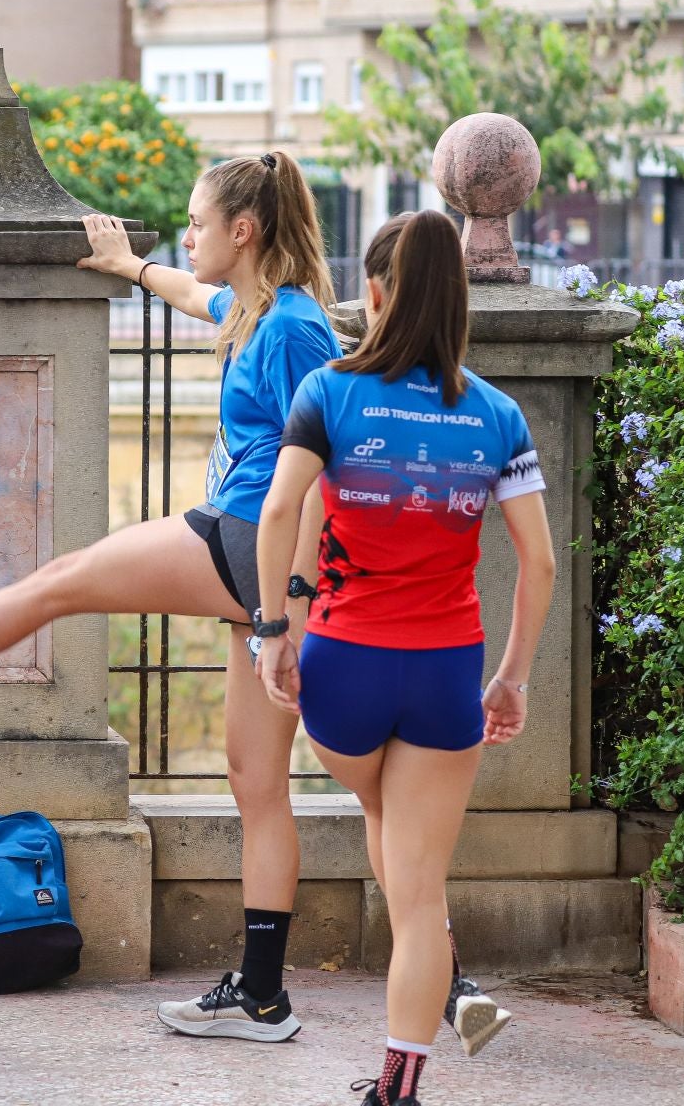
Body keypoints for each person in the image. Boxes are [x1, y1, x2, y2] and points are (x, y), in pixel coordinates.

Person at [0, 151, 340, 1041]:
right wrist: (130, 268)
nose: (189, 235)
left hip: (252, 546)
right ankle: (261, 994)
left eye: (198, 223)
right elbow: (194, 295)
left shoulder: (292, 330)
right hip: (258, 563)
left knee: (60, 583)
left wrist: (282, 606)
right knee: (257, 783)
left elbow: (321, 472)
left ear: (244, 232)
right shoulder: (257, 309)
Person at [252, 210, 557, 1105]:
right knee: (420, 891)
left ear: (376, 293)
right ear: (461, 298)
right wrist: (514, 677)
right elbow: (538, 561)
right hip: (445, 672)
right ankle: (400, 1084)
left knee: (383, 811)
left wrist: (275, 632)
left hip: (343, 669)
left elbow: (280, 513)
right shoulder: (496, 413)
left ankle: (443, 1017)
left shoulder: (331, 392)